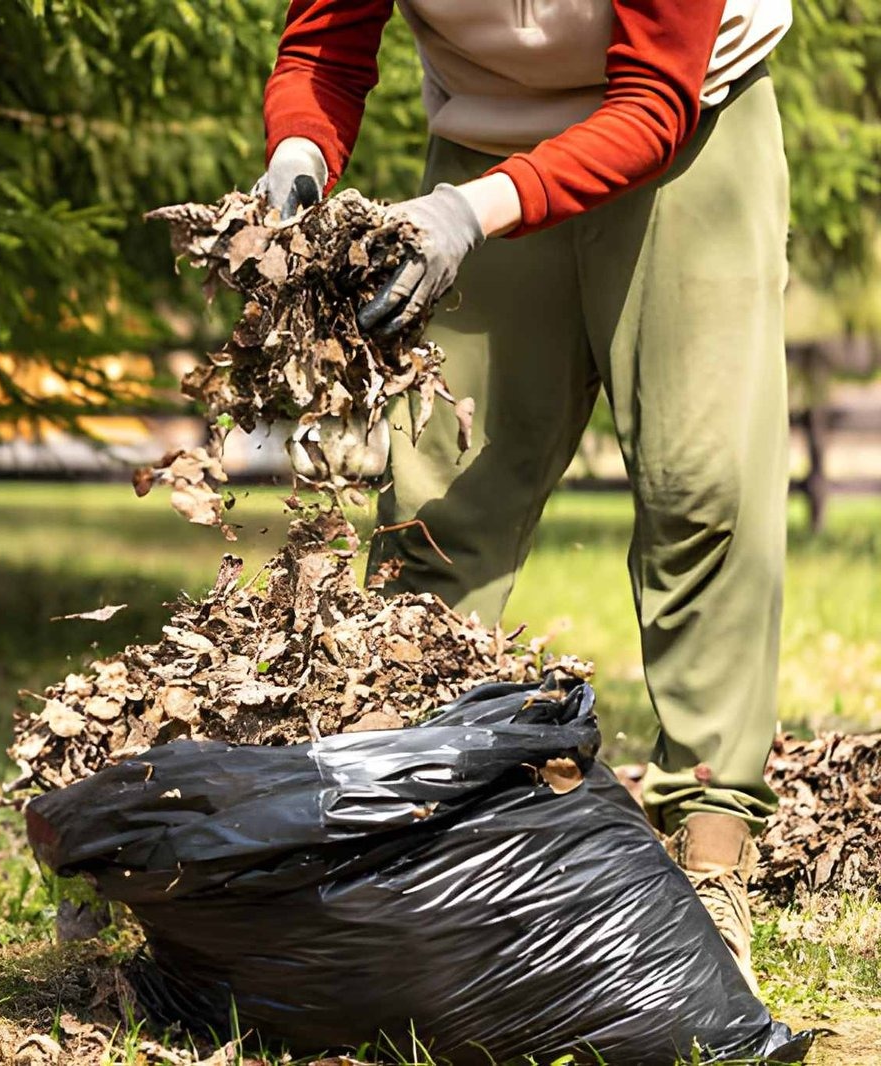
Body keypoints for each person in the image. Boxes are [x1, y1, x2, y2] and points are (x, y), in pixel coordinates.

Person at [259, 0, 792, 991]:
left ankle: (712, 852)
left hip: (687, 136)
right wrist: (297, 155)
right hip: (480, 137)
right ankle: (409, 839)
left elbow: (652, 101)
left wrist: (468, 216)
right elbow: (324, 48)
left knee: (700, 490)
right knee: (436, 510)